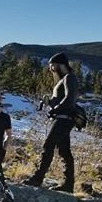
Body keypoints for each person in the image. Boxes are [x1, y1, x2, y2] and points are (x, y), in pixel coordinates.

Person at [23, 52, 78, 193]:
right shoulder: (64, 79)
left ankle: (37, 178)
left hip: (63, 119)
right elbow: (62, 99)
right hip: (63, 118)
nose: (51, 69)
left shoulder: (69, 77)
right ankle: (68, 185)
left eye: (52, 66)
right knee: (64, 151)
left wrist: (55, 109)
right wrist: (50, 102)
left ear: (61, 64)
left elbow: (70, 98)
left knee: (48, 145)